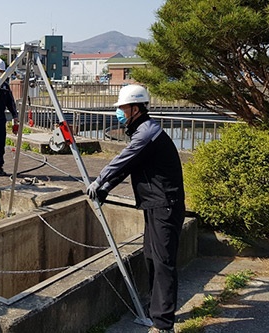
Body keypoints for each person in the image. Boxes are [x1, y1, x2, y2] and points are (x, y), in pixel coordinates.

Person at [86, 84, 185, 333]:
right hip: (154, 204)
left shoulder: (147, 133)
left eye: (122, 108)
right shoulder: (142, 130)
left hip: (166, 205)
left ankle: (164, 325)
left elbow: (123, 160)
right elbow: (130, 167)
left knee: (163, 262)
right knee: (151, 257)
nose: (119, 113)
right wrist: (106, 188)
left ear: (136, 108)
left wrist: (99, 179)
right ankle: (156, 308)